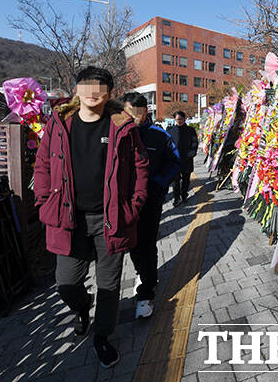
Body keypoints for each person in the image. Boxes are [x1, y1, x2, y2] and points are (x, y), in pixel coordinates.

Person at [34, 67, 149, 368]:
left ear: (109, 93)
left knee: (108, 285)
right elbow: (43, 164)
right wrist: (45, 201)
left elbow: (140, 168)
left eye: (100, 86)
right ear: (77, 89)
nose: (93, 91)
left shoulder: (122, 125)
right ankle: (83, 307)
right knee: (65, 283)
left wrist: (133, 205)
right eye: (87, 85)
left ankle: (102, 336)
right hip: (67, 218)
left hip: (111, 219)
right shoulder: (58, 123)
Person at [121, 92, 180, 318]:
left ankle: (146, 292)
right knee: (131, 245)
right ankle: (143, 272)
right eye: (128, 112)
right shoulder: (117, 134)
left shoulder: (159, 135)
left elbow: (173, 162)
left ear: (146, 112)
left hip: (150, 201)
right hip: (123, 203)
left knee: (146, 242)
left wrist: (158, 184)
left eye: (138, 112)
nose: (133, 117)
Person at [166, 111, 199, 205]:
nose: (179, 121)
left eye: (181, 119)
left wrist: (191, 154)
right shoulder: (170, 130)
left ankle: (184, 195)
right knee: (175, 181)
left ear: (184, 119)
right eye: (177, 119)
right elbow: (167, 144)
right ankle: (176, 198)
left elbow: (194, 143)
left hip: (187, 159)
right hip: (174, 160)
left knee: (186, 180)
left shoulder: (190, 130)